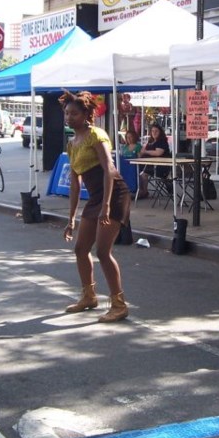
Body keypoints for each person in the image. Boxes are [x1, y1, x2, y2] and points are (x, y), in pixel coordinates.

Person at [61, 90, 132, 323]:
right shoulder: (72, 144)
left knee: (102, 251)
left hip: (114, 193)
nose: (69, 117)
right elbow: (74, 183)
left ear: (85, 114)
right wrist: (71, 218)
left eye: (74, 113)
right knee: (81, 249)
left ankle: (119, 304)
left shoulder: (96, 135)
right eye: (67, 113)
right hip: (94, 197)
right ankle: (89, 296)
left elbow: (109, 170)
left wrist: (107, 205)